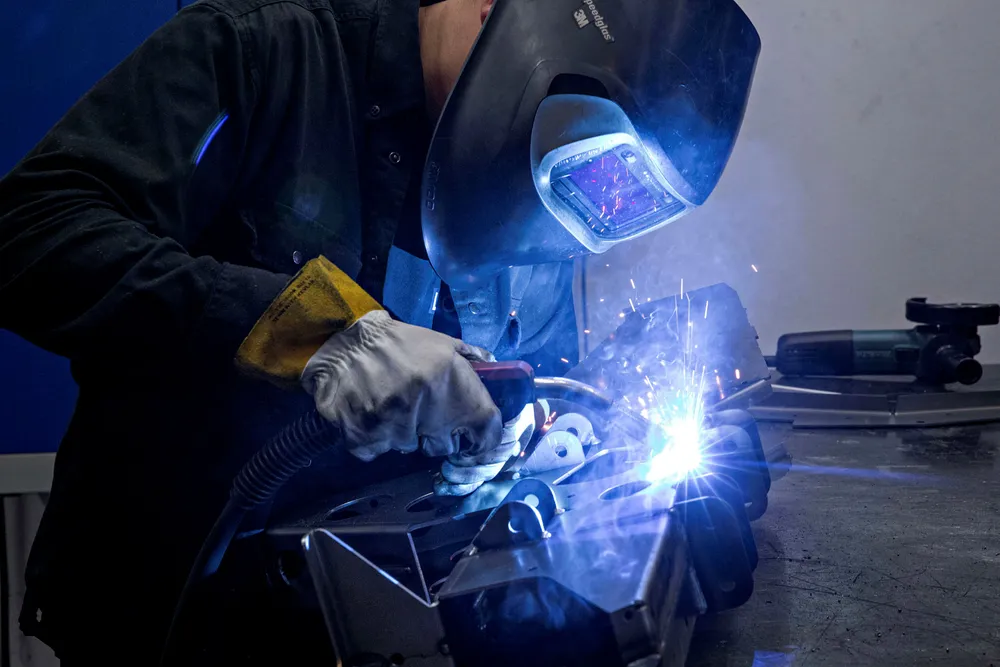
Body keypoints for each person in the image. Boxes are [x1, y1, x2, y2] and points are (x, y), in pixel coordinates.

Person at [0, 0, 759, 661]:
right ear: (502, 18)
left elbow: (532, 361)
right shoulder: (266, 46)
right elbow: (31, 229)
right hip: (171, 608)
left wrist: (537, 429)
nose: (532, 201)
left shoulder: (546, 191)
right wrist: (317, 332)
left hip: (368, 622)